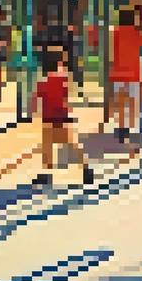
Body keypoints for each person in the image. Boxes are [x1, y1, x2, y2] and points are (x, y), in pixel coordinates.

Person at [29, 51, 94, 190]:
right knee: (72, 143)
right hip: (63, 115)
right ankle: (86, 168)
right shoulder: (63, 79)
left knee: (47, 147)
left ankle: (47, 174)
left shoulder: (43, 82)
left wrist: (32, 112)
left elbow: (35, 100)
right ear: (58, 63)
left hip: (48, 118)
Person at [109, 7, 142, 144]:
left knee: (121, 104)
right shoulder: (137, 33)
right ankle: (129, 130)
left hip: (119, 72)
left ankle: (121, 128)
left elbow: (111, 51)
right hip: (134, 73)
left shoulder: (115, 32)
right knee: (131, 104)